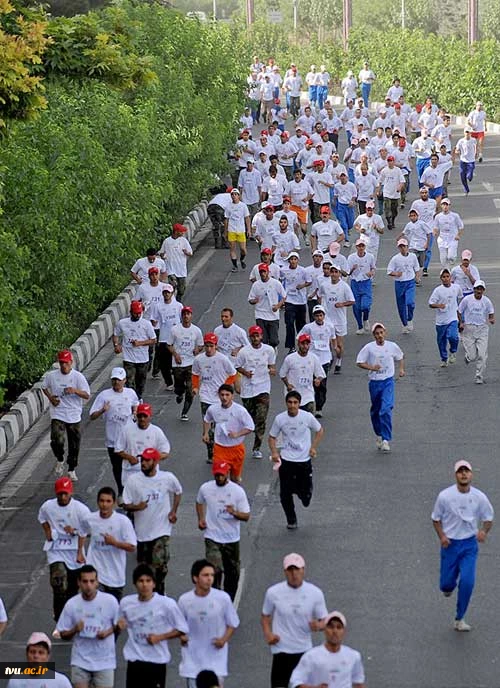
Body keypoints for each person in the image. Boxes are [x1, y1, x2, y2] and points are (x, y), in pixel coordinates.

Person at [431, 460, 494, 631]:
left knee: (467, 581)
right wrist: (442, 536)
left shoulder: (479, 497)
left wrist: (483, 532)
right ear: (456, 475)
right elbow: (436, 518)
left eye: (467, 471)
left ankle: (460, 618)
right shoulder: (445, 496)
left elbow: (488, 518)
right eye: (460, 471)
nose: (464, 474)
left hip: (469, 545)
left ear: (471, 475)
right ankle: (448, 587)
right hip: (450, 544)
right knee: (446, 584)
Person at [261, 552, 328, 688]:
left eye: (297, 569)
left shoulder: (315, 593)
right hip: (281, 650)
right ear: (285, 572)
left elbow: (325, 621)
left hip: (303, 650)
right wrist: (268, 634)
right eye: (290, 570)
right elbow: (265, 615)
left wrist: (318, 625)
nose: (294, 574)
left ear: (303, 570)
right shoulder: (273, 592)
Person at [123, 447, 182, 595]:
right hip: (142, 534)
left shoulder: (167, 478)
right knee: (144, 571)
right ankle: (148, 596)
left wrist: (173, 511)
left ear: (155, 462)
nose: (143, 463)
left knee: (159, 566)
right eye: (142, 460)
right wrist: (137, 507)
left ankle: (160, 593)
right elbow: (125, 503)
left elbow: (178, 491)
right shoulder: (133, 481)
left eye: (147, 460)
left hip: (161, 530)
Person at [118, 563, 188, 688]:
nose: (144, 585)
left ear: (154, 584)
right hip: (135, 661)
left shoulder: (167, 604)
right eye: (141, 581)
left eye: (148, 581)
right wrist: (119, 626)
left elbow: (182, 629)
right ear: (135, 584)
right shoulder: (126, 603)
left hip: (156, 661)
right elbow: (117, 623)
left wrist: (160, 637)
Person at [178, 559, 240, 688]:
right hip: (193, 662)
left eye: (212, 575)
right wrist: (182, 636)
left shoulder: (222, 598)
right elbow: (179, 625)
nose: (210, 579)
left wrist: (223, 640)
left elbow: (233, 623)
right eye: (205, 575)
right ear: (195, 578)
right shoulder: (185, 600)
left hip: (216, 661)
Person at [56, 565, 119, 688]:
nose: (88, 585)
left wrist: (107, 632)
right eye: (85, 581)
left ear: (97, 582)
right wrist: (75, 629)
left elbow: (120, 624)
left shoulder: (110, 601)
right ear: (79, 582)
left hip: (104, 660)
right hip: (80, 660)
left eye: (92, 581)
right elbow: (63, 633)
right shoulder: (72, 604)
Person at [269, 391, 324, 529]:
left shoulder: (307, 417)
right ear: (286, 403)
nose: (292, 405)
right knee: (284, 493)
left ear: (299, 404)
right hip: (286, 460)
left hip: (303, 460)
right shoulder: (280, 419)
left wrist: (313, 447)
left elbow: (319, 430)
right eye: (290, 402)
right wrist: (275, 452)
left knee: (304, 495)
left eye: (295, 403)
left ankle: (303, 493)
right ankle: (291, 519)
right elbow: (271, 437)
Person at [196, 460, 250, 600]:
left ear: (227, 473)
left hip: (231, 538)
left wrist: (234, 513)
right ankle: (215, 598)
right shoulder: (206, 488)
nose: (220, 478)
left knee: (233, 574)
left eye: (222, 475)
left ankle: (228, 601)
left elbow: (246, 516)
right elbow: (199, 501)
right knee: (214, 569)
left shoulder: (237, 491)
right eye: (217, 475)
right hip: (212, 536)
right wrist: (201, 518)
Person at [38, 476, 90, 622]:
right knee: (59, 582)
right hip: (56, 550)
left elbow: (86, 531)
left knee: (72, 588)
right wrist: (48, 532)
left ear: (70, 493)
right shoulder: (48, 506)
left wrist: (80, 551)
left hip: (74, 551)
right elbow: (42, 518)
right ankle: (60, 615)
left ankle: (70, 615)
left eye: (65, 493)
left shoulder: (80, 510)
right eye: (60, 493)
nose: (63, 496)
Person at [89, 367, 139, 500]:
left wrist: (135, 412)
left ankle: (132, 490)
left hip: (129, 438)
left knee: (131, 466)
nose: (116, 382)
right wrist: (102, 411)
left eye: (119, 380)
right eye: (114, 380)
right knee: (117, 468)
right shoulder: (104, 396)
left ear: (124, 380)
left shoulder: (130, 393)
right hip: (113, 439)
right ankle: (122, 491)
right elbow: (92, 416)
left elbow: (136, 403)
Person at [356, 322, 405, 453]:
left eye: (381, 333)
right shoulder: (369, 348)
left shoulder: (392, 346)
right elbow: (359, 362)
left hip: (388, 381)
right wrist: (372, 368)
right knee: (376, 410)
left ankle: (385, 439)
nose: (380, 336)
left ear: (385, 333)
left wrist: (401, 369)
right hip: (375, 382)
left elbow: (400, 357)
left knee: (386, 409)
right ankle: (378, 433)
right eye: (377, 334)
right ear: (374, 335)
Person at [42, 350, 90, 481]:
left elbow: (87, 395)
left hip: (74, 415)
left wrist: (75, 390)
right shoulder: (52, 376)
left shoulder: (78, 377)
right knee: (57, 439)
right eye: (62, 363)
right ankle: (60, 458)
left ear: (71, 363)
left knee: (74, 444)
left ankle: (71, 469)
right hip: (58, 413)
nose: (64, 366)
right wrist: (51, 398)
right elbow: (44, 387)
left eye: (66, 363)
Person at [85, 486, 137, 601]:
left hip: (115, 576)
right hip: (95, 574)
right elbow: (80, 532)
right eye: (102, 501)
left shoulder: (122, 522)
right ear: (98, 502)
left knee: (112, 614)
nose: (105, 504)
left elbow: (132, 547)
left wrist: (115, 543)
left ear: (113, 503)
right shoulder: (90, 519)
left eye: (108, 501)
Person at [289, 611, 365, 688]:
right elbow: (296, 682)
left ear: (344, 632)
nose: (335, 631)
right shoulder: (310, 656)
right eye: (331, 627)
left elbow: (359, 683)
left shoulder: (354, 656)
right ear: (325, 630)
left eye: (339, 627)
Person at [192, 333, 237, 463]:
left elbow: (233, 374)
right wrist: (195, 387)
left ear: (216, 346)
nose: (209, 348)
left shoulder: (223, 359)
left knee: (220, 426)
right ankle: (211, 453)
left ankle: (222, 450)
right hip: (206, 396)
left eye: (211, 346)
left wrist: (225, 387)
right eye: (207, 346)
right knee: (208, 426)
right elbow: (195, 374)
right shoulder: (199, 359)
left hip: (220, 398)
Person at [235, 325, 276, 459]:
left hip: (263, 388)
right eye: (253, 336)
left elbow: (271, 365)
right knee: (251, 419)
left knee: (261, 418)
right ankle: (248, 431)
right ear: (250, 337)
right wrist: (245, 373)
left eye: (257, 335)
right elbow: (237, 366)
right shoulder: (244, 352)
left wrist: (272, 370)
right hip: (248, 390)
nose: (255, 338)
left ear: (261, 336)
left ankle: (256, 447)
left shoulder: (268, 350)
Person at [203, 384, 255, 483]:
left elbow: (250, 427)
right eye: (222, 395)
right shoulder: (213, 409)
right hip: (220, 448)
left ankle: (236, 493)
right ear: (218, 395)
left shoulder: (240, 411)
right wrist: (205, 433)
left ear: (232, 396)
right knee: (220, 476)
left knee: (235, 479)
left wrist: (237, 434)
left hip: (236, 449)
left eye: (227, 395)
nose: (224, 397)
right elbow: (207, 419)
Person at [114, 402, 170, 491]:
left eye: (145, 416)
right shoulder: (126, 430)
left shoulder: (156, 432)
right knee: (131, 502)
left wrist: (151, 459)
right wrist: (129, 457)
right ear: (136, 416)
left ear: (150, 416)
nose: (142, 419)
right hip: (130, 472)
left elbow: (165, 452)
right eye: (140, 416)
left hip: (150, 474)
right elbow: (118, 449)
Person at [298, 305, 337, 418]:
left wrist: (335, 347)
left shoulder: (329, 326)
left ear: (324, 316)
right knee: (311, 382)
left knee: (322, 384)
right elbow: (299, 338)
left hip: (325, 359)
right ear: (313, 316)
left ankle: (319, 406)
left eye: (321, 315)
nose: (319, 318)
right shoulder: (308, 328)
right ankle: (308, 403)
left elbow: (333, 338)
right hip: (311, 358)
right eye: (317, 315)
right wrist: (302, 352)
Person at [113, 301, 157, 401]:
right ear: (131, 312)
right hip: (128, 358)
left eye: (139, 313)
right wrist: (116, 345)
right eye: (135, 313)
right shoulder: (123, 323)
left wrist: (140, 343)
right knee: (129, 381)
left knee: (140, 382)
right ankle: (132, 400)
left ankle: (139, 397)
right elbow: (115, 334)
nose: (137, 315)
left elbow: (153, 340)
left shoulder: (146, 324)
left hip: (142, 358)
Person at [166, 305, 204, 421]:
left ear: (191, 316)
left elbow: (201, 344)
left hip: (191, 363)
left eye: (188, 314)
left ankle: (185, 412)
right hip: (178, 363)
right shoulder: (175, 330)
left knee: (190, 388)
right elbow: (168, 345)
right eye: (184, 314)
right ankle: (179, 393)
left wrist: (197, 350)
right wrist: (175, 355)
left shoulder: (196, 330)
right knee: (179, 386)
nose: (186, 316)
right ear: (181, 316)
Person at [317, 265, 355, 374]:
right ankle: (328, 359)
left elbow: (352, 301)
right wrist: (320, 308)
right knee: (327, 341)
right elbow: (319, 295)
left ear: (339, 274)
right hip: (328, 319)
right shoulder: (324, 285)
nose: (333, 274)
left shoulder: (344, 286)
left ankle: (338, 361)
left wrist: (342, 304)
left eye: (336, 272)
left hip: (340, 320)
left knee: (339, 345)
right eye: (332, 271)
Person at [458, 280, 495, 384]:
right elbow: (459, 311)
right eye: (477, 289)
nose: (479, 291)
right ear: (473, 289)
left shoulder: (487, 301)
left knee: (482, 355)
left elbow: (491, 313)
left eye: (481, 289)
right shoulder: (467, 300)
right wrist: (461, 322)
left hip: (482, 329)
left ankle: (479, 376)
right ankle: (468, 357)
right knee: (472, 356)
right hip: (469, 329)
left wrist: (491, 319)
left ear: (483, 290)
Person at [7, 632, 72, 688]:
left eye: (41, 653)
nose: (36, 656)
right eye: (32, 652)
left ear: (48, 656)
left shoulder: (61, 682)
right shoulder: (15, 681)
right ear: (27, 654)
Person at [149, 283, 183, 391]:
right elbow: (154, 320)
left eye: (168, 292)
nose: (166, 295)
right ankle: (169, 383)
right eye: (164, 293)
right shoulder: (158, 306)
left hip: (176, 338)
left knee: (177, 362)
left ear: (172, 293)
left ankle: (179, 382)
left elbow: (183, 320)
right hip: (164, 338)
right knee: (164, 363)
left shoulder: (178, 306)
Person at [428, 269, 462, 367]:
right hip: (441, 321)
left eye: (447, 276)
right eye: (444, 277)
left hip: (452, 318)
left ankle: (453, 351)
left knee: (453, 336)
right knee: (441, 341)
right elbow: (430, 304)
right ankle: (444, 358)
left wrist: (460, 318)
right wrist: (439, 305)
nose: (446, 279)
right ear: (441, 279)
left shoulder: (456, 288)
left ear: (450, 277)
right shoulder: (438, 290)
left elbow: (460, 298)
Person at [248, 263, 286, 348]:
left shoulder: (276, 283)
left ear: (268, 272)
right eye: (261, 272)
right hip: (260, 314)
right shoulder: (256, 285)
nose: (262, 274)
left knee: (274, 341)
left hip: (273, 315)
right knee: (263, 340)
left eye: (264, 272)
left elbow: (284, 296)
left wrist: (278, 306)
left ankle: (273, 348)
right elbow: (250, 299)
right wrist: (254, 301)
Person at [387, 238, 421, 333]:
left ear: (407, 247)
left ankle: (409, 318)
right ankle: (404, 324)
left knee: (410, 303)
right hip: (399, 283)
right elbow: (389, 271)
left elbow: (417, 268)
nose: (402, 248)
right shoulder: (395, 259)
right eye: (400, 247)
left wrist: (417, 277)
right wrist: (396, 274)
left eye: (404, 246)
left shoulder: (413, 256)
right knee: (401, 305)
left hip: (410, 282)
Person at [281, 252, 311, 353]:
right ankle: (291, 346)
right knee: (289, 323)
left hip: (301, 300)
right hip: (289, 300)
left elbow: (309, 281)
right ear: (289, 260)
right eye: (291, 259)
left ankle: (303, 343)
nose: (293, 261)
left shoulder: (303, 270)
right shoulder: (283, 270)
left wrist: (302, 285)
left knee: (301, 324)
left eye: (295, 259)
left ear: (297, 260)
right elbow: (280, 281)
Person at [347, 237, 376, 335]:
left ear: (365, 247)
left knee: (365, 305)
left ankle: (366, 319)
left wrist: (371, 273)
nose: (361, 248)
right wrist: (352, 269)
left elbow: (373, 268)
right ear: (356, 247)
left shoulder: (370, 257)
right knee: (357, 307)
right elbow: (348, 273)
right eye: (359, 246)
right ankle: (360, 326)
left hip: (366, 283)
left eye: (362, 246)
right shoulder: (351, 258)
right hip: (355, 283)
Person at [159, 223, 193, 302]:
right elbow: (161, 252)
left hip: (181, 269)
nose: (182, 233)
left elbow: (191, 253)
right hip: (171, 270)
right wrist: (163, 255)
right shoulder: (167, 241)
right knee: (172, 287)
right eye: (181, 231)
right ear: (176, 231)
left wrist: (186, 252)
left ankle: (178, 300)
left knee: (181, 289)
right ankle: (171, 302)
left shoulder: (183, 241)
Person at [399, 208, 432, 282]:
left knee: (421, 264)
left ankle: (418, 278)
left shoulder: (422, 224)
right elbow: (404, 232)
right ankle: (413, 277)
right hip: (413, 246)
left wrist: (427, 244)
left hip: (422, 246)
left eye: (414, 215)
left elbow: (429, 233)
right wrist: (398, 237)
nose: (413, 217)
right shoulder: (409, 225)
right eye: (411, 216)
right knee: (412, 261)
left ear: (417, 216)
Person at [376, 155, 405, 231]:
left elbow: (402, 181)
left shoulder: (398, 170)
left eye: (391, 161)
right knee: (387, 208)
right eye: (388, 161)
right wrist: (378, 190)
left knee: (394, 210)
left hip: (395, 193)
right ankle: (389, 222)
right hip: (387, 193)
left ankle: (393, 221)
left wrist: (399, 187)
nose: (390, 162)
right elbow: (379, 181)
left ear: (394, 162)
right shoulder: (384, 170)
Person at [224, 188, 250, 273]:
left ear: (239, 196)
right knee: (232, 248)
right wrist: (225, 232)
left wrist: (249, 229)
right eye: (232, 194)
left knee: (243, 249)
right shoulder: (228, 206)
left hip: (241, 230)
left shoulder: (243, 206)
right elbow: (226, 220)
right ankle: (235, 265)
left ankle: (242, 259)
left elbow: (247, 218)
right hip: (231, 229)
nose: (234, 196)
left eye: (236, 194)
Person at [433, 198, 464, 268]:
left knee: (451, 256)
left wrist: (458, 235)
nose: (445, 206)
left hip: (452, 238)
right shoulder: (438, 217)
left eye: (447, 205)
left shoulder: (455, 216)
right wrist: (434, 232)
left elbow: (461, 226)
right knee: (443, 259)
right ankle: (446, 270)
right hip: (442, 239)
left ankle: (452, 262)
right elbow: (435, 227)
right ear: (441, 206)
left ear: (449, 206)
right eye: (443, 205)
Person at [333, 172, 357, 247]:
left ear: (346, 177)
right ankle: (346, 240)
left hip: (349, 206)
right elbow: (335, 195)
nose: (343, 178)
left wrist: (352, 201)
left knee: (351, 223)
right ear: (339, 178)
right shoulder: (337, 186)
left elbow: (354, 195)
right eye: (341, 176)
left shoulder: (351, 185)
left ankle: (347, 229)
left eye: (344, 176)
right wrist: (334, 201)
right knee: (344, 224)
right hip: (341, 206)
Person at [453, 128, 477, 195]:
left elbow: (475, 147)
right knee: (462, 175)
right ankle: (466, 189)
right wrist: (457, 151)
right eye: (466, 132)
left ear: (470, 133)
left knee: (469, 176)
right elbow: (457, 149)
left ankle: (470, 176)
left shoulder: (473, 140)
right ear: (464, 133)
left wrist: (476, 153)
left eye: (468, 132)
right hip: (463, 160)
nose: (467, 134)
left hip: (471, 160)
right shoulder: (461, 141)